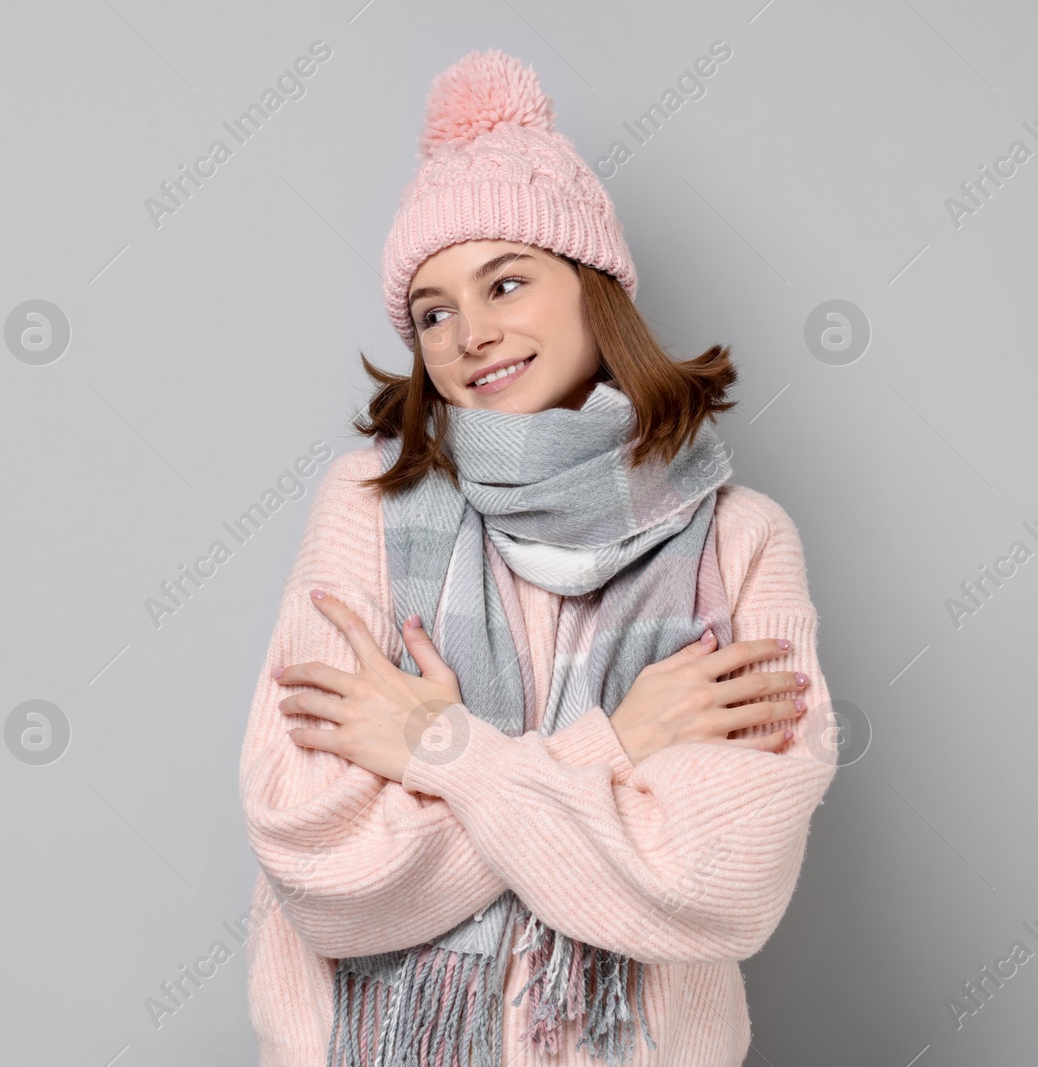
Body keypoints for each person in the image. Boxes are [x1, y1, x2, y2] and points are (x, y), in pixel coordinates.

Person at [237, 50, 839, 1067]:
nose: (470, 332)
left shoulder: (741, 542)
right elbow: (322, 865)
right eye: (432, 311)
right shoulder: (367, 509)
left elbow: (715, 881)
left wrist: (438, 753)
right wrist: (616, 747)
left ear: (589, 289)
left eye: (504, 282)